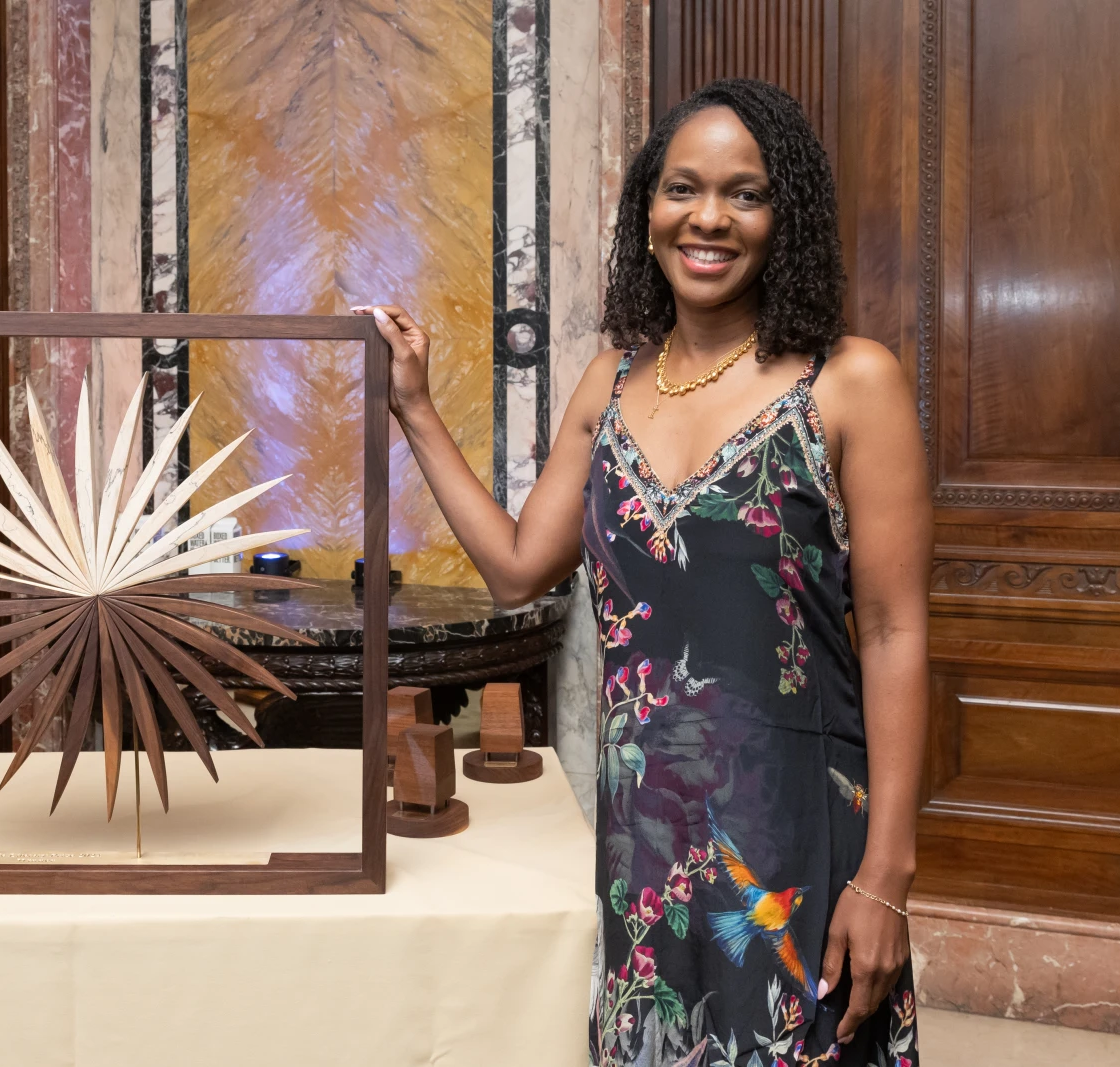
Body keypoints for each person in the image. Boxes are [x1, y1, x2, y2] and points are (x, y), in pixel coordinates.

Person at [357, 78, 928, 1066]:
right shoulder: (612, 381)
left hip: (791, 844)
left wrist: (887, 874)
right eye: (682, 188)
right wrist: (414, 407)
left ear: (785, 215)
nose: (708, 217)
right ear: (647, 210)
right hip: (645, 850)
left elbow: (892, 629)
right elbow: (516, 569)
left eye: (745, 193)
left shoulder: (848, 382)